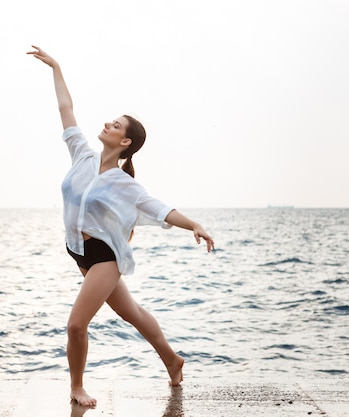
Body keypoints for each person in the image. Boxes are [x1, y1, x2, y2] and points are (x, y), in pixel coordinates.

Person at [27, 45, 215, 408]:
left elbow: (160, 209)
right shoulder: (82, 153)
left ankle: (77, 388)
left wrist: (194, 224)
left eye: (116, 125)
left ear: (124, 142)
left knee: (76, 325)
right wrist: (56, 67)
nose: (107, 124)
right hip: (77, 250)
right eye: (110, 121)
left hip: (104, 255)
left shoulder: (125, 183)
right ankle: (173, 361)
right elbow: (66, 109)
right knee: (134, 314)